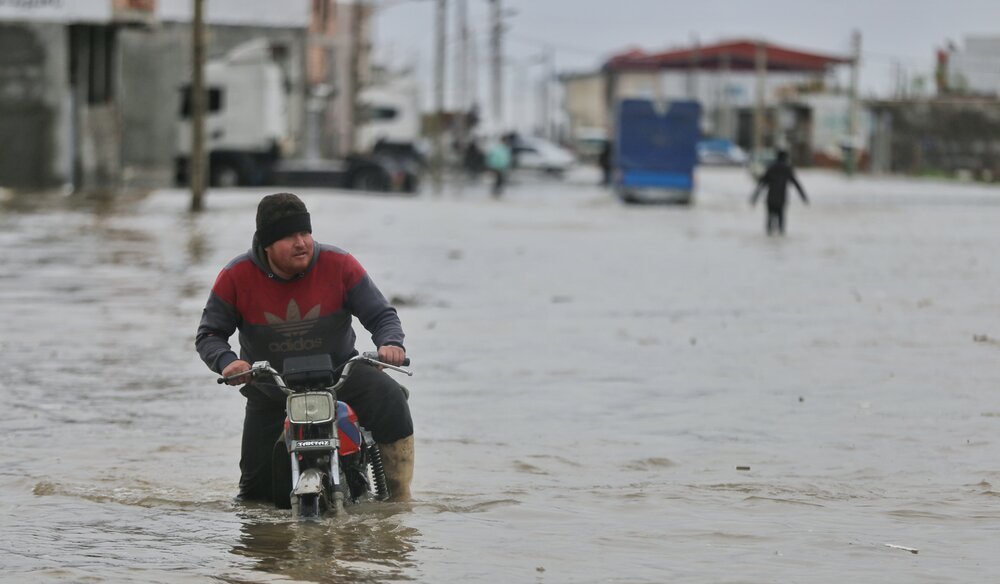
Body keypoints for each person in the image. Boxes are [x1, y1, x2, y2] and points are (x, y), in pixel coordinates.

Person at [195, 192, 414, 503]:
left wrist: (390, 343)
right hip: (272, 389)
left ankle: (400, 499)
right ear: (267, 244)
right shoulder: (235, 276)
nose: (301, 242)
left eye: (305, 232)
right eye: (288, 236)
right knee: (254, 500)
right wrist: (227, 362)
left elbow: (381, 314)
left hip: (341, 376)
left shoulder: (340, 264)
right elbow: (209, 334)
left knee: (391, 398)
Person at [750, 150, 809, 235]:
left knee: (769, 219)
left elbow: (762, 183)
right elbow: (796, 184)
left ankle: (769, 239)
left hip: (771, 198)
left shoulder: (771, 168)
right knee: (781, 220)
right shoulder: (787, 169)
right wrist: (803, 197)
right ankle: (780, 238)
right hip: (781, 199)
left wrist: (754, 197)